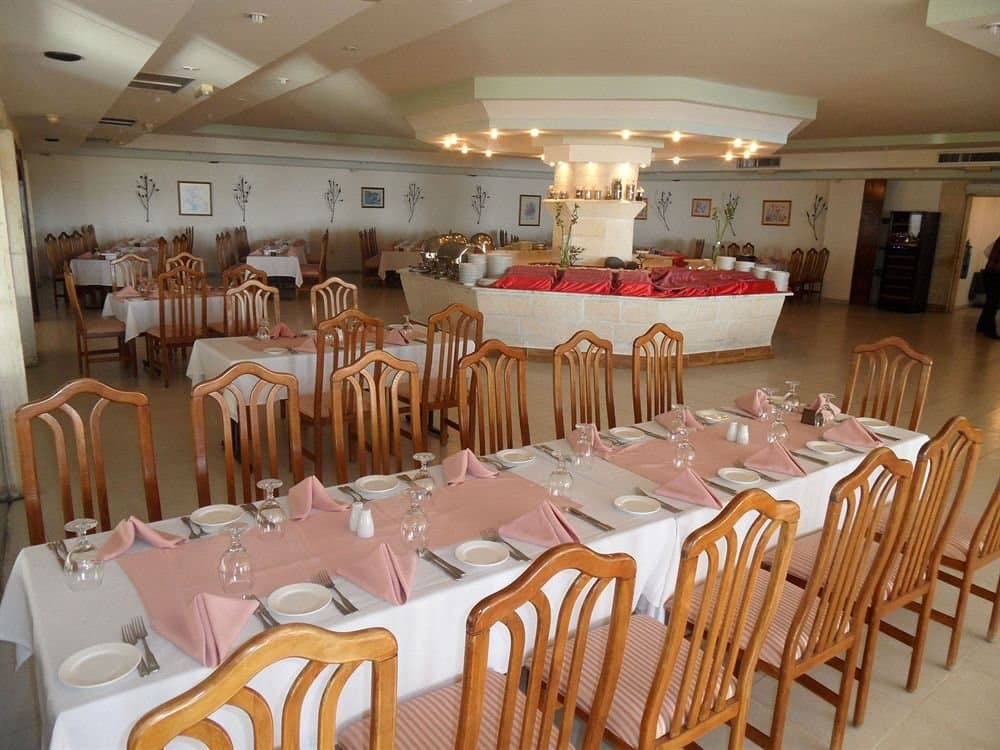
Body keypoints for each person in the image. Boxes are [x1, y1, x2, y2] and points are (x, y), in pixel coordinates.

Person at [977, 235, 1000, 340]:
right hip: (996, 274)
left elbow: (987, 252)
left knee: (990, 301)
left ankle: (981, 327)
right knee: (992, 303)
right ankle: (990, 331)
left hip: (989, 273)